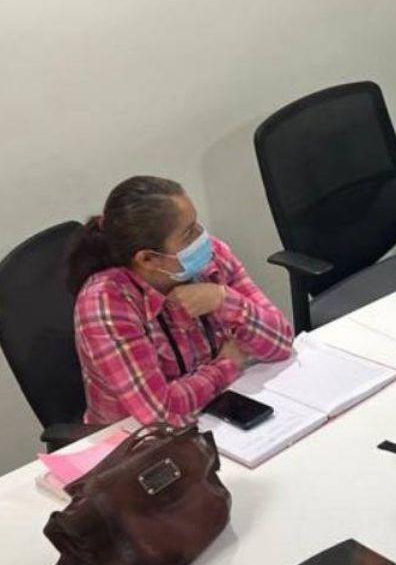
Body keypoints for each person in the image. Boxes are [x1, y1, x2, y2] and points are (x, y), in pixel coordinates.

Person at [68, 175, 293, 428]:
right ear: (147, 259)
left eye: (196, 224)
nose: (202, 238)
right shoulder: (106, 303)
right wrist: (226, 365)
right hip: (138, 439)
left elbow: (282, 341)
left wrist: (225, 300)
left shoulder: (212, 257)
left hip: (220, 407)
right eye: (188, 234)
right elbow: (161, 414)